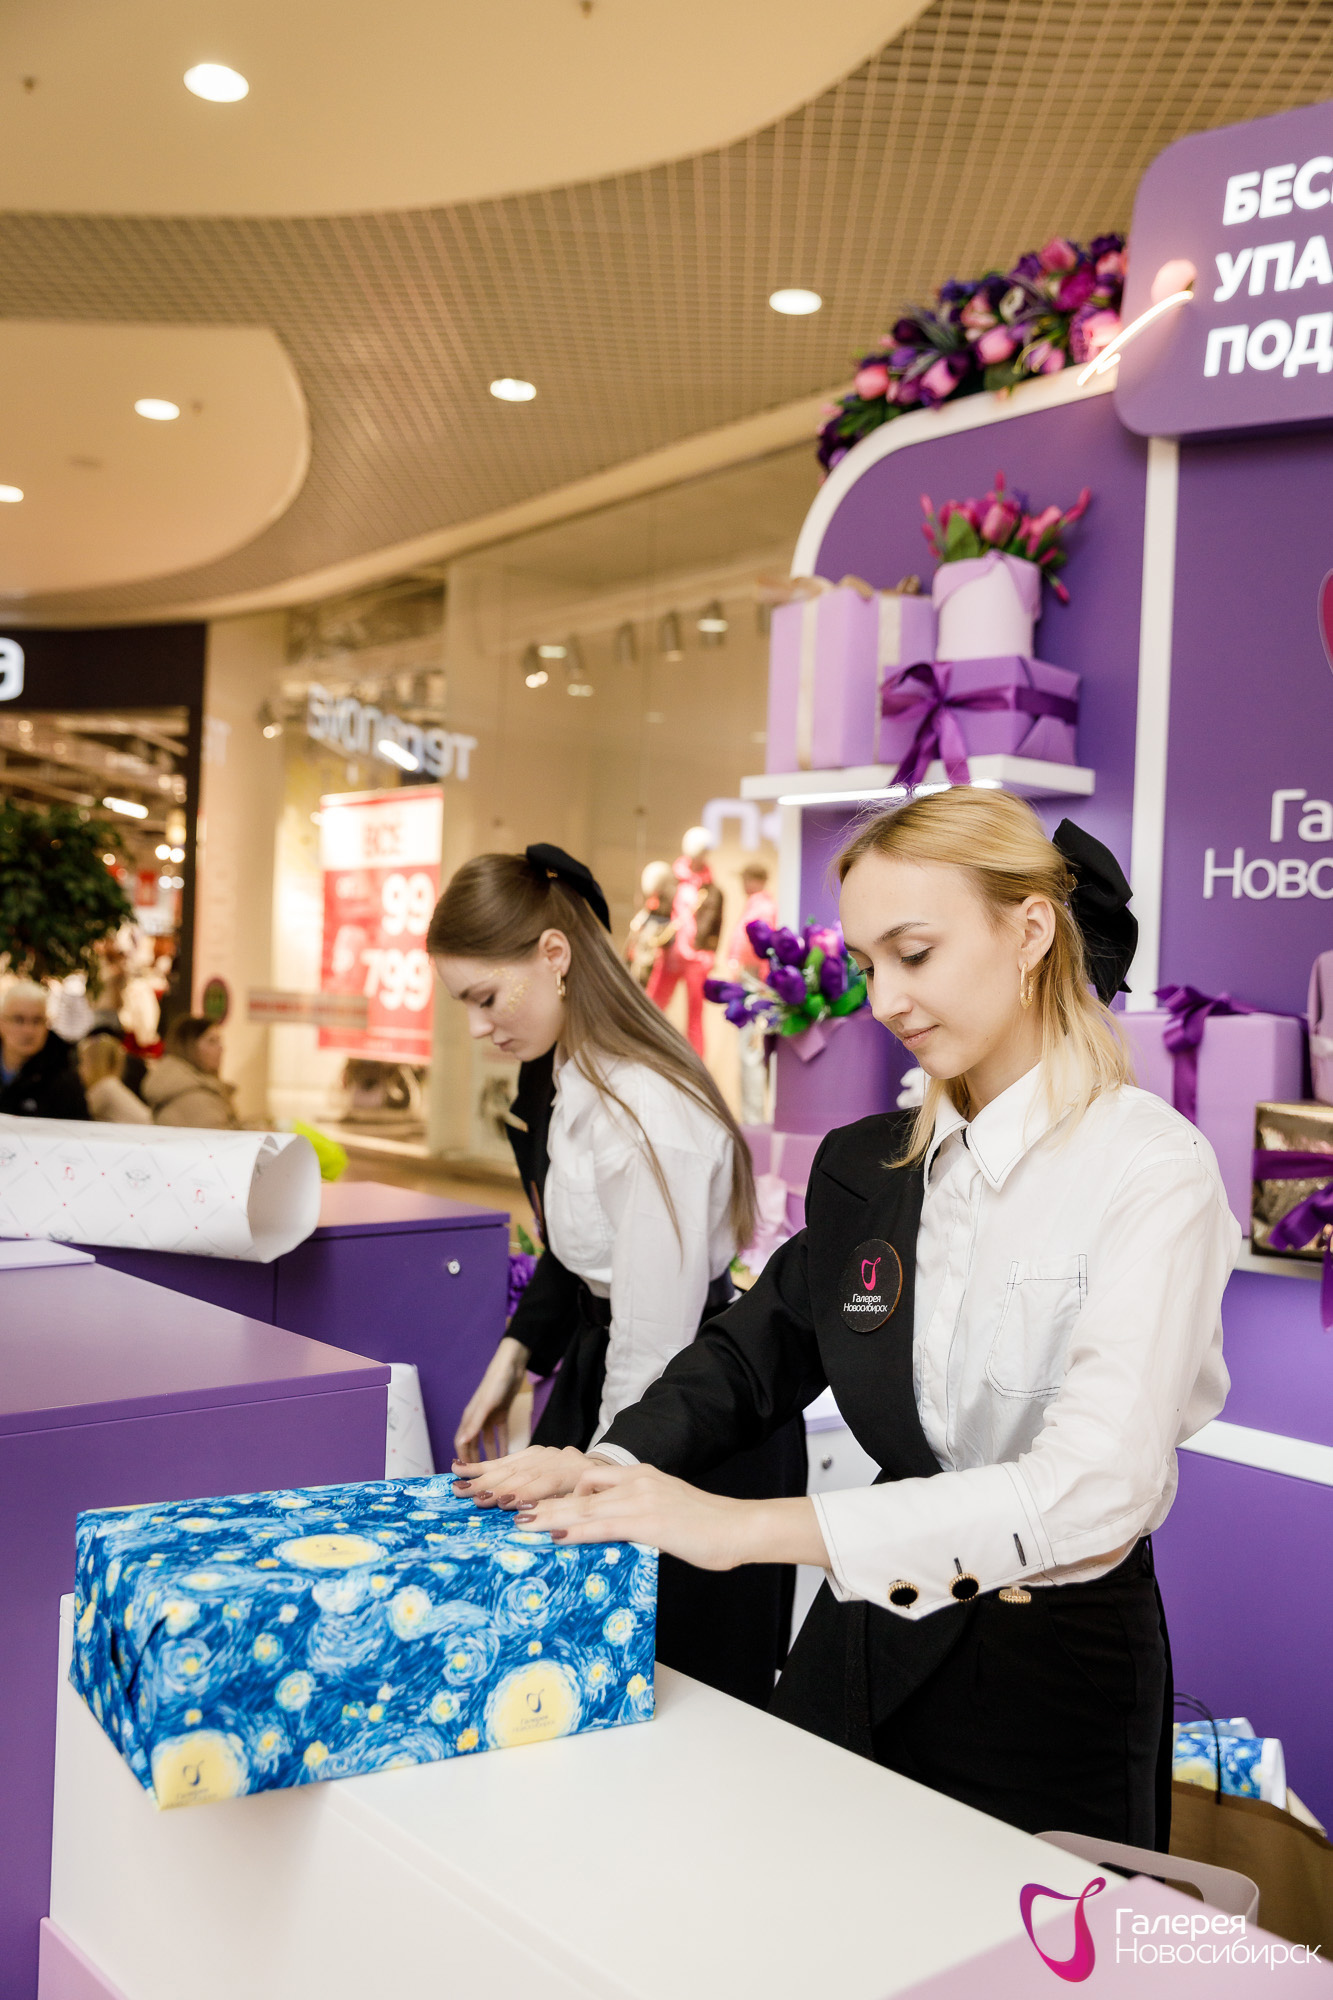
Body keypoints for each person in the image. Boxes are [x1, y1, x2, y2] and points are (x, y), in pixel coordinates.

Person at [455, 793, 1238, 1850]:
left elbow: (1093, 1489)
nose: (886, 1000)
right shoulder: (870, 1165)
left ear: (1028, 931)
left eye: (914, 954)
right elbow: (755, 1352)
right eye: (869, 964)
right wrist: (608, 1466)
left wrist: (739, 1529)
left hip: (1049, 1671)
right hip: (869, 1634)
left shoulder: (1148, 1168)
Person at [429, 842, 808, 1708]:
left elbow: (652, 1346)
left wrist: (593, 1485)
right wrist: (515, 1364)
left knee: (675, 1691)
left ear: (553, 955)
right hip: (622, 1386)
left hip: (693, 1415)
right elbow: (581, 1260)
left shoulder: (644, 1108)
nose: (478, 1027)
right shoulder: (571, 1077)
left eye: (485, 997)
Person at [646, 827, 722, 1055]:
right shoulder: (671, 881)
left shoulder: (712, 890)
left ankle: (695, 1064)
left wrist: (709, 952)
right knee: (652, 1005)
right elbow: (659, 912)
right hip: (670, 953)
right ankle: (645, 1051)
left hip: (696, 957)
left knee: (695, 1016)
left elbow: (715, 924)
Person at [725, 862, 779, 1126]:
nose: (742, 884)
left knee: (751, 1052)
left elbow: (762, 952)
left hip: (755, 983)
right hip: (751, 982)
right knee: (749, 1052)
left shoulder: (762, 909)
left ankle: (754, 1121)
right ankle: (751, 1118)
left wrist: (760, 985)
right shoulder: (756, 906)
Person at [0, 981, 89, 1119]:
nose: (28, 1030)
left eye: (37, 1021)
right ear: (2, 1023)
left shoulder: (63, 1077)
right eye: (19, 1020)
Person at [142, 1016, 240, 1128]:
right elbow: (220, 1136)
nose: (221, 1048)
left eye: (219, 1040)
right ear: (188, 1046)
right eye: (212, 1041)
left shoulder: (189, 1086)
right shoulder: (194, 1096)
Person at [77, 1032, 152, 1123]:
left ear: (93, 1064)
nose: (79, 1069)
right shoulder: (111, 1084)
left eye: (83, 1062)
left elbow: (80, 1113)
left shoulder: (104, 1088)